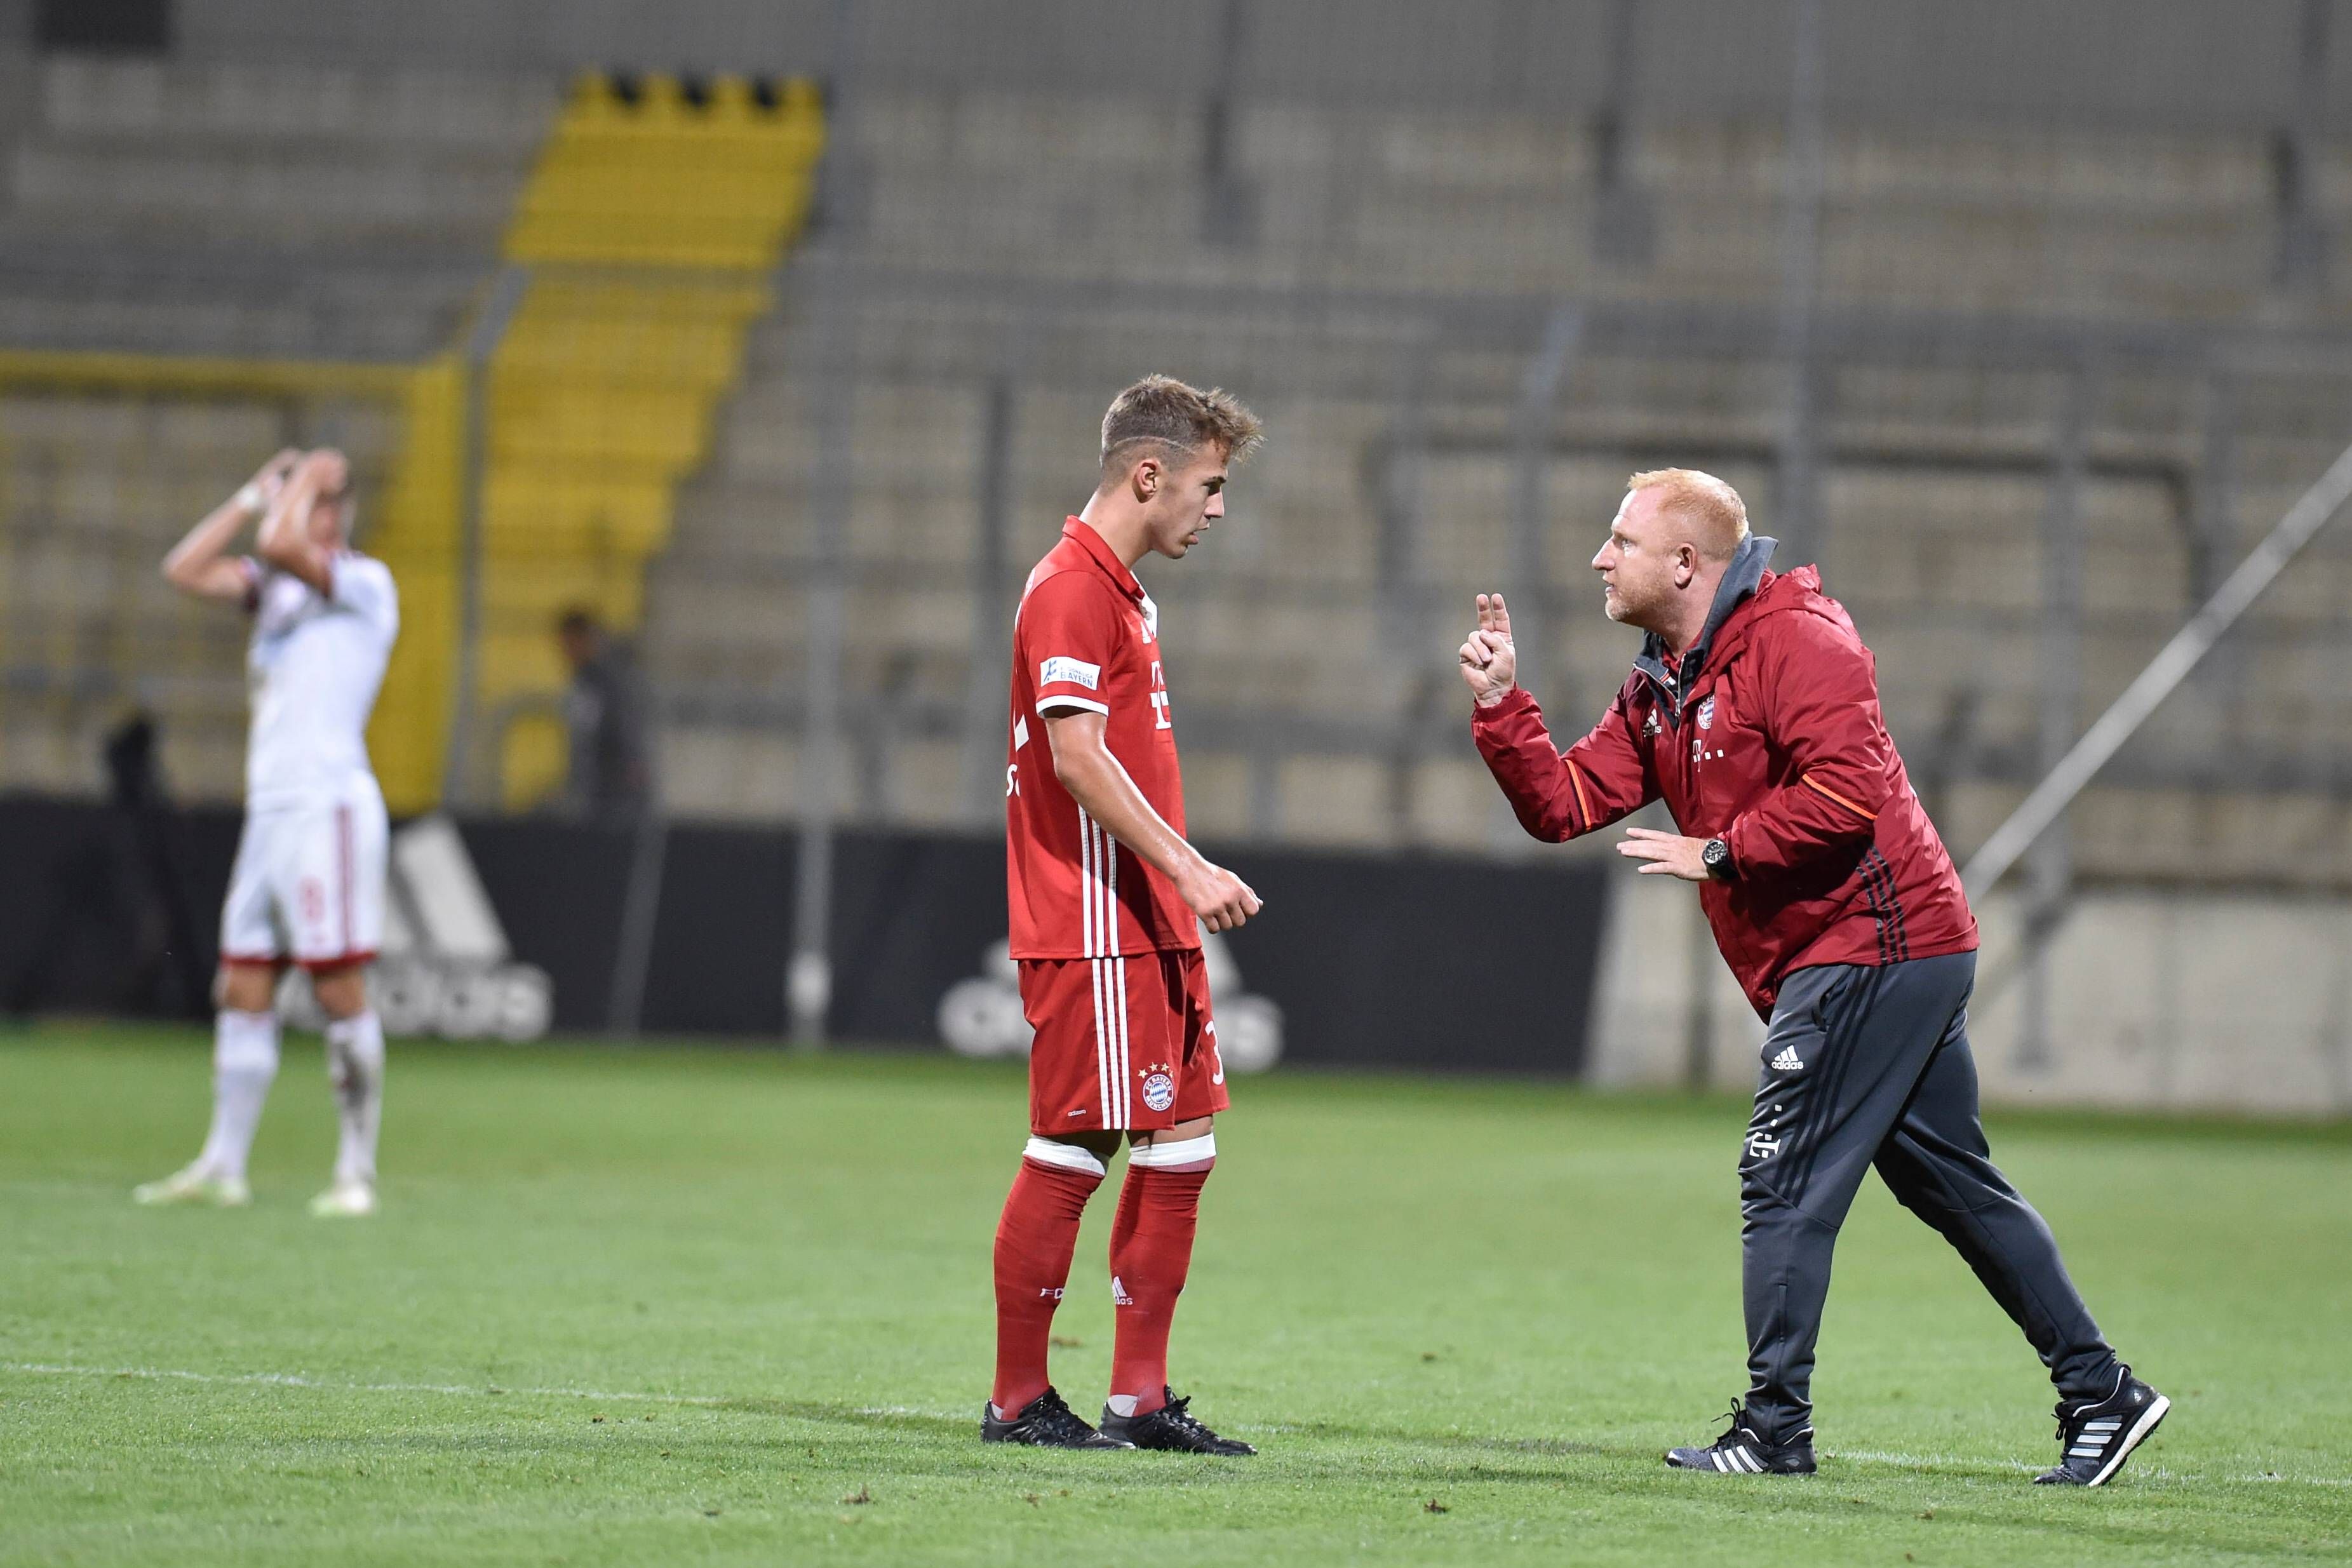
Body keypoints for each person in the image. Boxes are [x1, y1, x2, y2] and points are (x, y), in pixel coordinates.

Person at [1460, 468, 2166, 1486]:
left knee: (1779, 1177)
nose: (1598, 558)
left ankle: (1772, 1427)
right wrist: (1500, 707)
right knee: (1952, 1188)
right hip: (1856, 952)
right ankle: (2101, 1391)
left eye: (1619, 540)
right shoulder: (1663, 673)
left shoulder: (1798, 637)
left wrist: (1716, 851)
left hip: (1877, 943)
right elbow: (1566, 800)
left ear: (1685, 563)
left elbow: (1845, 794)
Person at [985, 375, 1265, 1454]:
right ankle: (1017, 1397)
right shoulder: (1069, 587)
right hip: (1095, 918)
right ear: (1147, 474)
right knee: (1074, 1141)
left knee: (1178, 1139)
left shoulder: (1121, 591)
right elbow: (1074, 755)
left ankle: (1137, 1401)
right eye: (1209, 483)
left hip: (1142, 920)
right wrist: (1188, 866)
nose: (1217, 506)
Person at [135, 447, 399, 1218]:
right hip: (273, 809)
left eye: (311, 504)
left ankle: (356, 1172)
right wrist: (252, 494)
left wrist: (313, 478)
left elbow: (285, 545)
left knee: (335, 983)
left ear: (333, 513)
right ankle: (224, 1164)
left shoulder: (364, 583)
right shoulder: (277, 593)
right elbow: (184, 568)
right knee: (243, 983)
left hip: (329, 806)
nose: (294, 516)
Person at [556, 607, 652, 821]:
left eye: (570, 643)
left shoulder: (608, 680)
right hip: (598, 789)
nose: (566, 651)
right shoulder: (587, 679)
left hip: (614, 790)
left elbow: (626, 726)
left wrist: (632, 763)